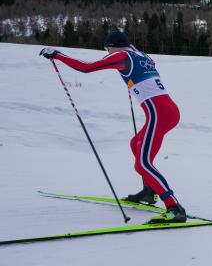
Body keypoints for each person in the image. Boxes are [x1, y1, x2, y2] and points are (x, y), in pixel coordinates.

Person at [39, 30, 186, 223]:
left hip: (159, 114)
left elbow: (86, 68)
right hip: (168, 111)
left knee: (142, 164)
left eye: (106, 48)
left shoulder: (121, 56)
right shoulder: (141, 55)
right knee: (136, 144)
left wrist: (58, 55)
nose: (107, 52)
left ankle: (174, 208)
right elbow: (145, 63)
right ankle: (150, 191)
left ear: (112, 45)